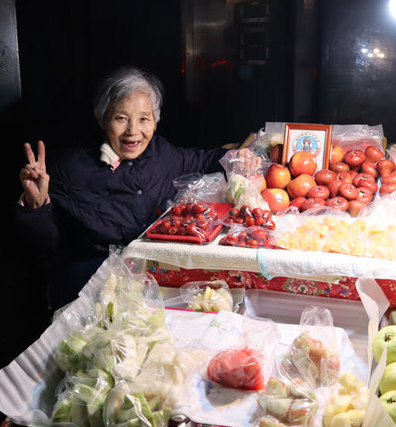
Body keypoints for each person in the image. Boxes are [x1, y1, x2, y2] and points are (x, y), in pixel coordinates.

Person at [16, 66, 259, 307]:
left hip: (153, 282)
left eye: (144, 119)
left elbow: (204, 159)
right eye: (121, 118)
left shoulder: (161, 154)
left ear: (155, 121)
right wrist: (35, 206)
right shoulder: (71, 168)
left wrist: (238, 157)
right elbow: (44, 249)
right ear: (102, 119)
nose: (133, 131)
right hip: (90, 288)